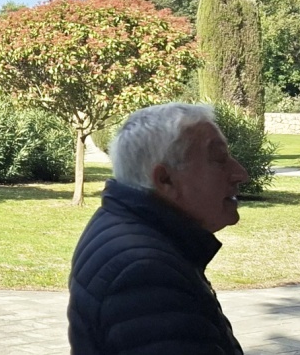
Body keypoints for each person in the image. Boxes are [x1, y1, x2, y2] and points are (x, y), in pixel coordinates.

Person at [68, 102, 247, 355]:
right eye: (219, 159)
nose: (240, 173)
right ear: (165, 179)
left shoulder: (121, 223)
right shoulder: (147, 273)